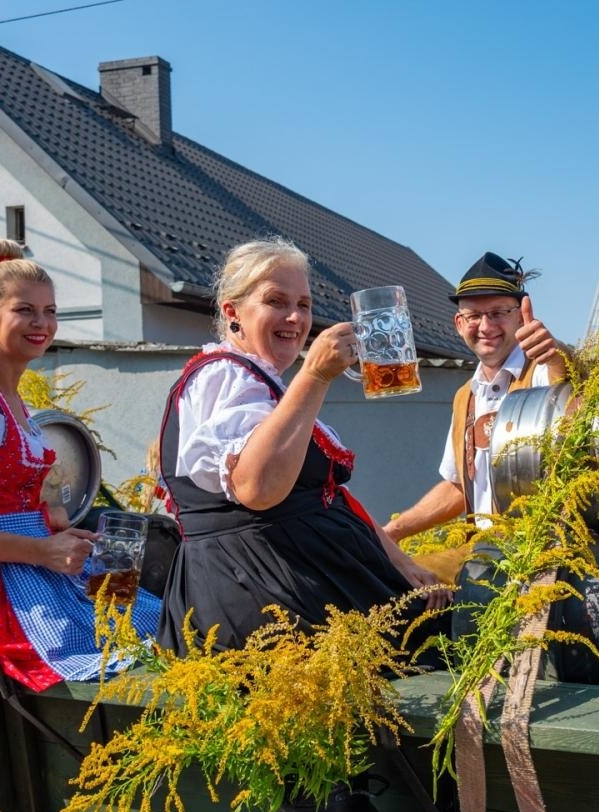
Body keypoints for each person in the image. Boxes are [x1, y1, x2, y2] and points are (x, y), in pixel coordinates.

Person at [156, 237, 448, 653]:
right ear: (232, 311)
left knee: (446, 622)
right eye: (276, 301)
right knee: (444, 641)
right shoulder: (223, 376)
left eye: (304, 305)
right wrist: (315, 376)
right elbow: (256, 489)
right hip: (260, 593)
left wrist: (400, 562)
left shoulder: (262, 385)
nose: (295, 317)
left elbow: (329, 497)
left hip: (288, 577)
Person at [0, 239, 161, 690]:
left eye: (50, 311)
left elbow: (0, 497)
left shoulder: (8, 397)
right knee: (112, 643)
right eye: (25, 310)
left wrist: (50, 525)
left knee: (151, 612)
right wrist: (42, 549)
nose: (43, 323)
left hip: (21, 559)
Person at [382, 252, 566, 543]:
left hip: (544, 551)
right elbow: (458, 486)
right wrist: (392, 532)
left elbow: (575, 400)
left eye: (498, 313)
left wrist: (558, 356)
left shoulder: (542, 371)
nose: (485, 326)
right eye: (474, 316)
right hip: (485, 555)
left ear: (520, 315)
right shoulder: (464, 396)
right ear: (458, 323)